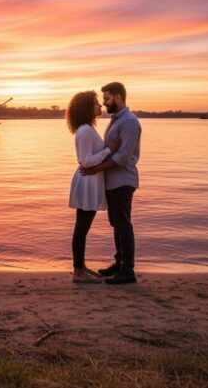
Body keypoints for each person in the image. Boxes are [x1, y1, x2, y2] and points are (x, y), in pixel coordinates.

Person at [80, 82, 141, 284]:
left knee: (123, 224)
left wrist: (94, 169)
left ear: (117, 97)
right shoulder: (116, 120)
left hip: (123, 180)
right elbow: (109, 149)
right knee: (116, 223)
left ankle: (128, 270)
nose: (104, 103)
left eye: (106, 98)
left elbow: (124, 157)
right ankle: (119, 263)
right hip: (112, 181)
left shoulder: (129, 122)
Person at [66, 91, 121, 284]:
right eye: (96, 104)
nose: (100, 107)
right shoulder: (85, 131)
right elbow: (86, 160)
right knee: (81, 228)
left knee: (82, 228)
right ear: (86, 108)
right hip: (87, 181)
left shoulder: (87, 128)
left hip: (91, 180)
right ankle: (78, 272)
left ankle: (80, 267)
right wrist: (110, 150)